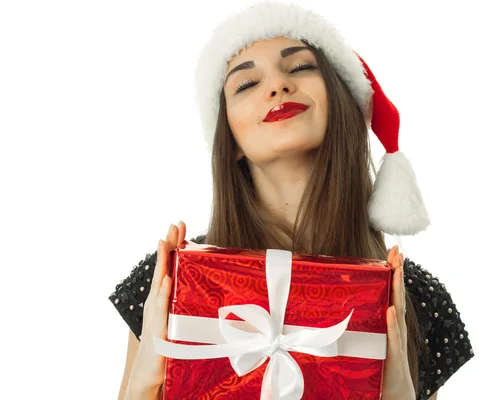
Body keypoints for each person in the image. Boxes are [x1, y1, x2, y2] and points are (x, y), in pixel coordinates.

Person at [108, 2, 475, 399]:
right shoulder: (173, 278)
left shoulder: (413, 297)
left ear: (342, 101)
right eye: (246, 84)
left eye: (300, 67)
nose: (277, 87)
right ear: (228, 139)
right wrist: (142, 385)